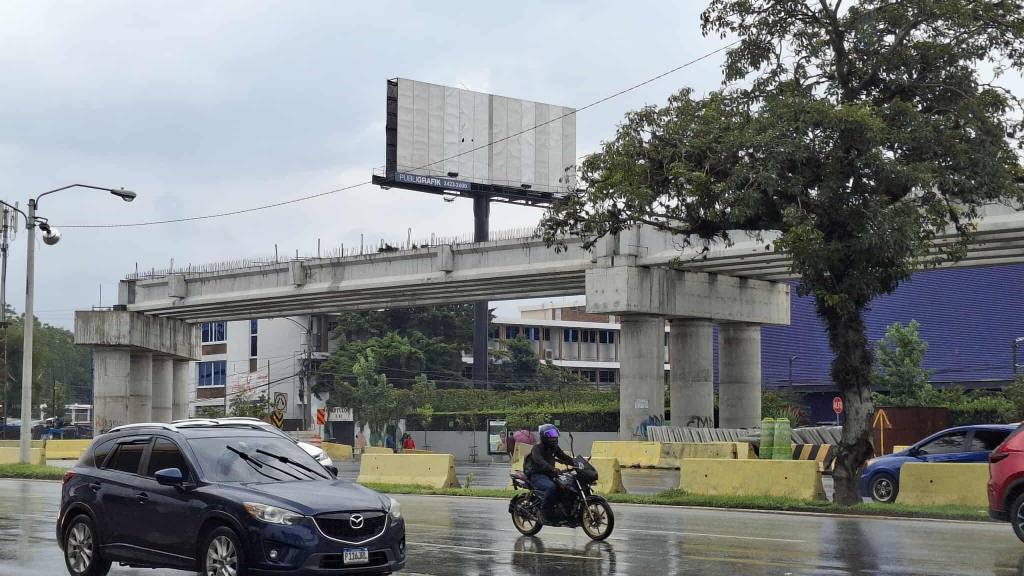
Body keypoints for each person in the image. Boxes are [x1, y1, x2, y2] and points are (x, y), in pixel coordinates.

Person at [523, 423, 574, 522]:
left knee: (567, 486)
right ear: (544, 436)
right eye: (551, 434)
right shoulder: (537, 448)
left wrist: (577, 463)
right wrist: (552, 468)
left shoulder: (554, 447)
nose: (554, 436)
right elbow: (540, 461)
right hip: (536, 475)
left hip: (549, 474)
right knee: (551, 487)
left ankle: (563, 511)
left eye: (554, 434)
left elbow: (563, 457)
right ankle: (543, 513)